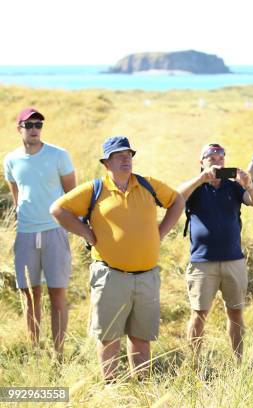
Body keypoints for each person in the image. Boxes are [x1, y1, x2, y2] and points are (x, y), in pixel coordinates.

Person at [50, 136, 184, 382]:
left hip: (147, 276)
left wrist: (161, 232)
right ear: (106, 162)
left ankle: (141, 386)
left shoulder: (148, 185)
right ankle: (111, 387)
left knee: (141, 337)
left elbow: (177, 200)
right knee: (109, 337)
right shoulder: (95, 189)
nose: (126, 159)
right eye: (118, 155)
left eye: (129, 154)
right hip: (111, 276)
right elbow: (58, 209)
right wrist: (87, 233)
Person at [178, 143, 253, 364]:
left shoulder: (232, 186)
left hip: (233, 260)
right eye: (211, 157)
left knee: (235, 312)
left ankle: (238, 363)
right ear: (202, 162)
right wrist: (200, 179)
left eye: (221, 157)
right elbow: (176, 198)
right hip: (202, 262)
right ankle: (194, 363)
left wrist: (249, 185)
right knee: (199, 313)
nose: (217, 161)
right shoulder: (195, 187)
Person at [3, 107, 76, 359]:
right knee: (29, 294)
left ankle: (59, 353)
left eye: (38, 124)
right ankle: (34, 350)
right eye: (29, 124)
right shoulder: (10, 159)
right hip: (25, 234)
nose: (34, 129)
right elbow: (16, 194)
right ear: (19, 128)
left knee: (57, 293)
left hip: (54, 232)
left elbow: (71, 195)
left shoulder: (59, 155)